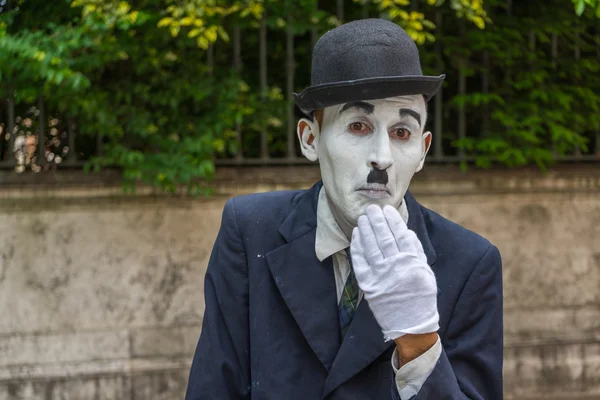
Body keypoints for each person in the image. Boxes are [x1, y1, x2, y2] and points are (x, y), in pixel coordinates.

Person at [185, 18, 502, 400]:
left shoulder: (470, 262)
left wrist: (419, 343)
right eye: (358, 126)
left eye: (402, 132)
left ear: (423, 150)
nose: (382, 158)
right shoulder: (250, 230)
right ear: (310, 139)